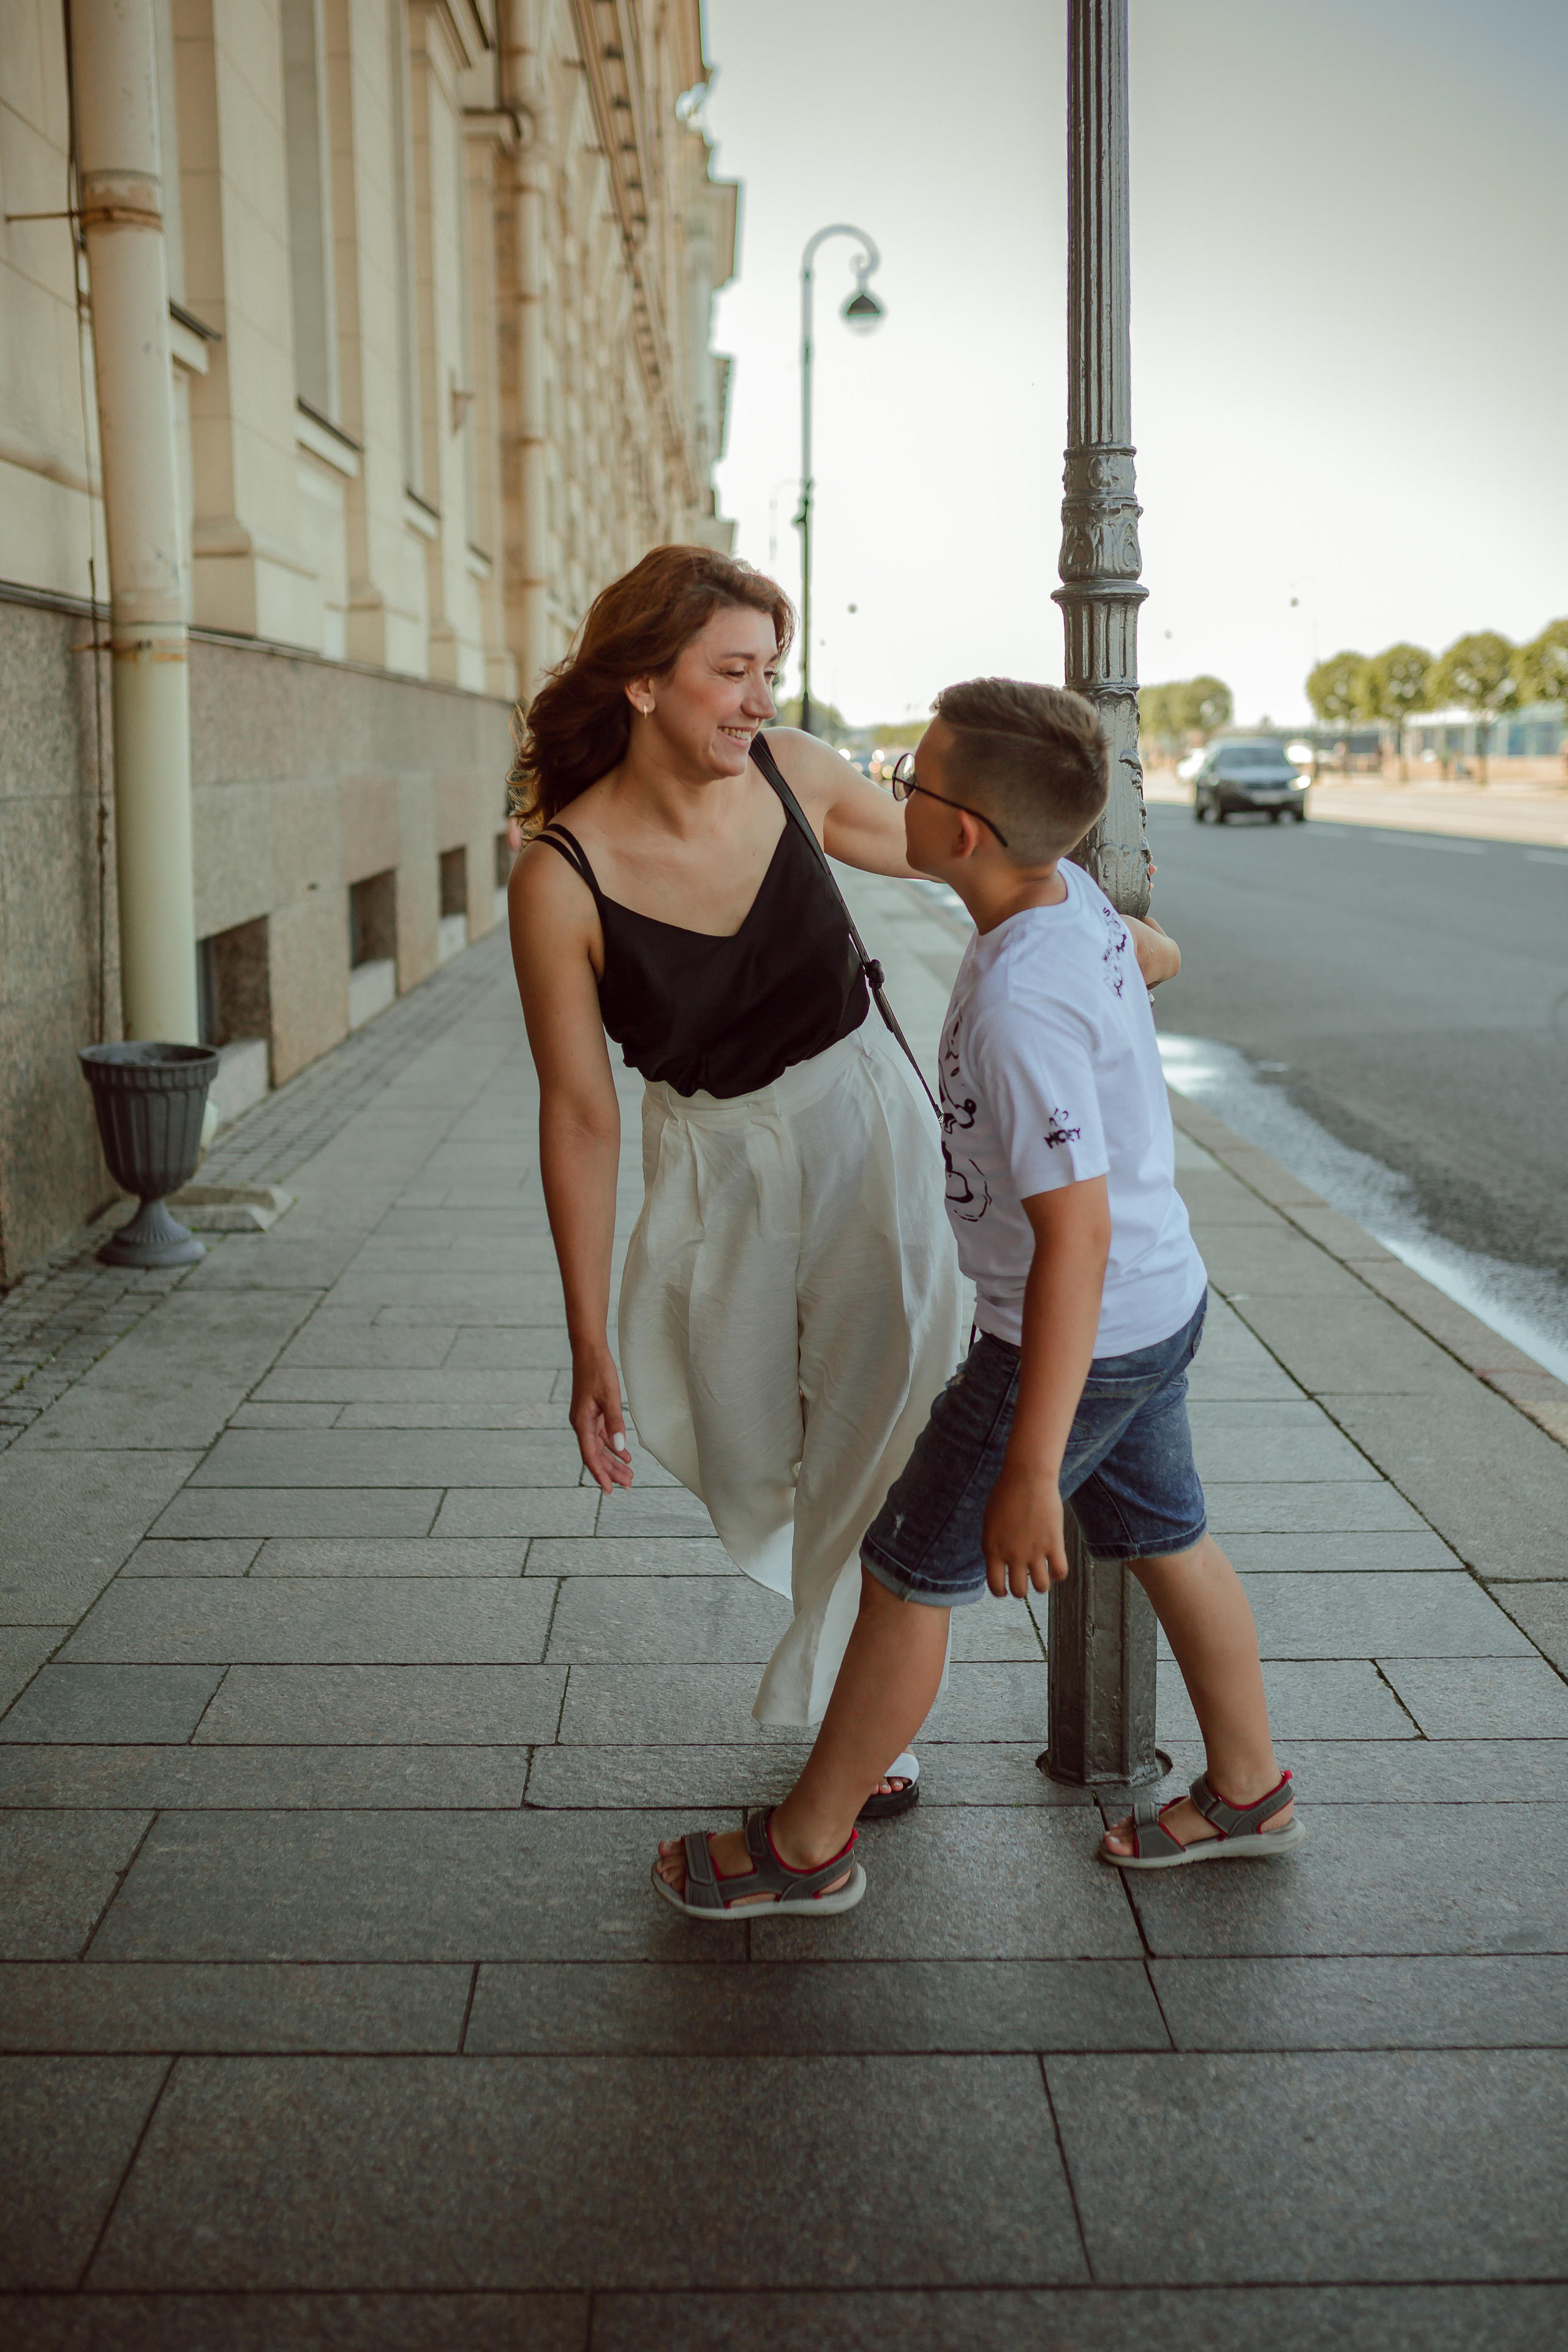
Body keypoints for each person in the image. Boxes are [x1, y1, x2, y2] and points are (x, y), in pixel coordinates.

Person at [653, 677, 1302, 1918]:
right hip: (1156, 1310)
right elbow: (1142, 956)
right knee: (1169, 1539)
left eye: (909, 780)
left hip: (1072, 1336)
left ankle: (803, 1848)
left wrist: (1026, 1466)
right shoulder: (1064, 907)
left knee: (906, 1579)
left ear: (955, 835)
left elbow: (1073, 1235)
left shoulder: (1012, 1007)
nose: (890, 790)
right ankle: (1248, 1787)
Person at [505, 546, 962, 1798]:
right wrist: (588, 1336)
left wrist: (1092, 920)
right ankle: (844, 1658)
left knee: (877, 1434)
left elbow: (955, 855)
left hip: (865, 1137)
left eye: (771, 669)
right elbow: (577, 1114)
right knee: (747, 1444)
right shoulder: (558, 875)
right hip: (711, 1172)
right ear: (645, 683)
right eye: (733, 671)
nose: (761, 698)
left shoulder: (794, 772)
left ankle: (854, 1727)